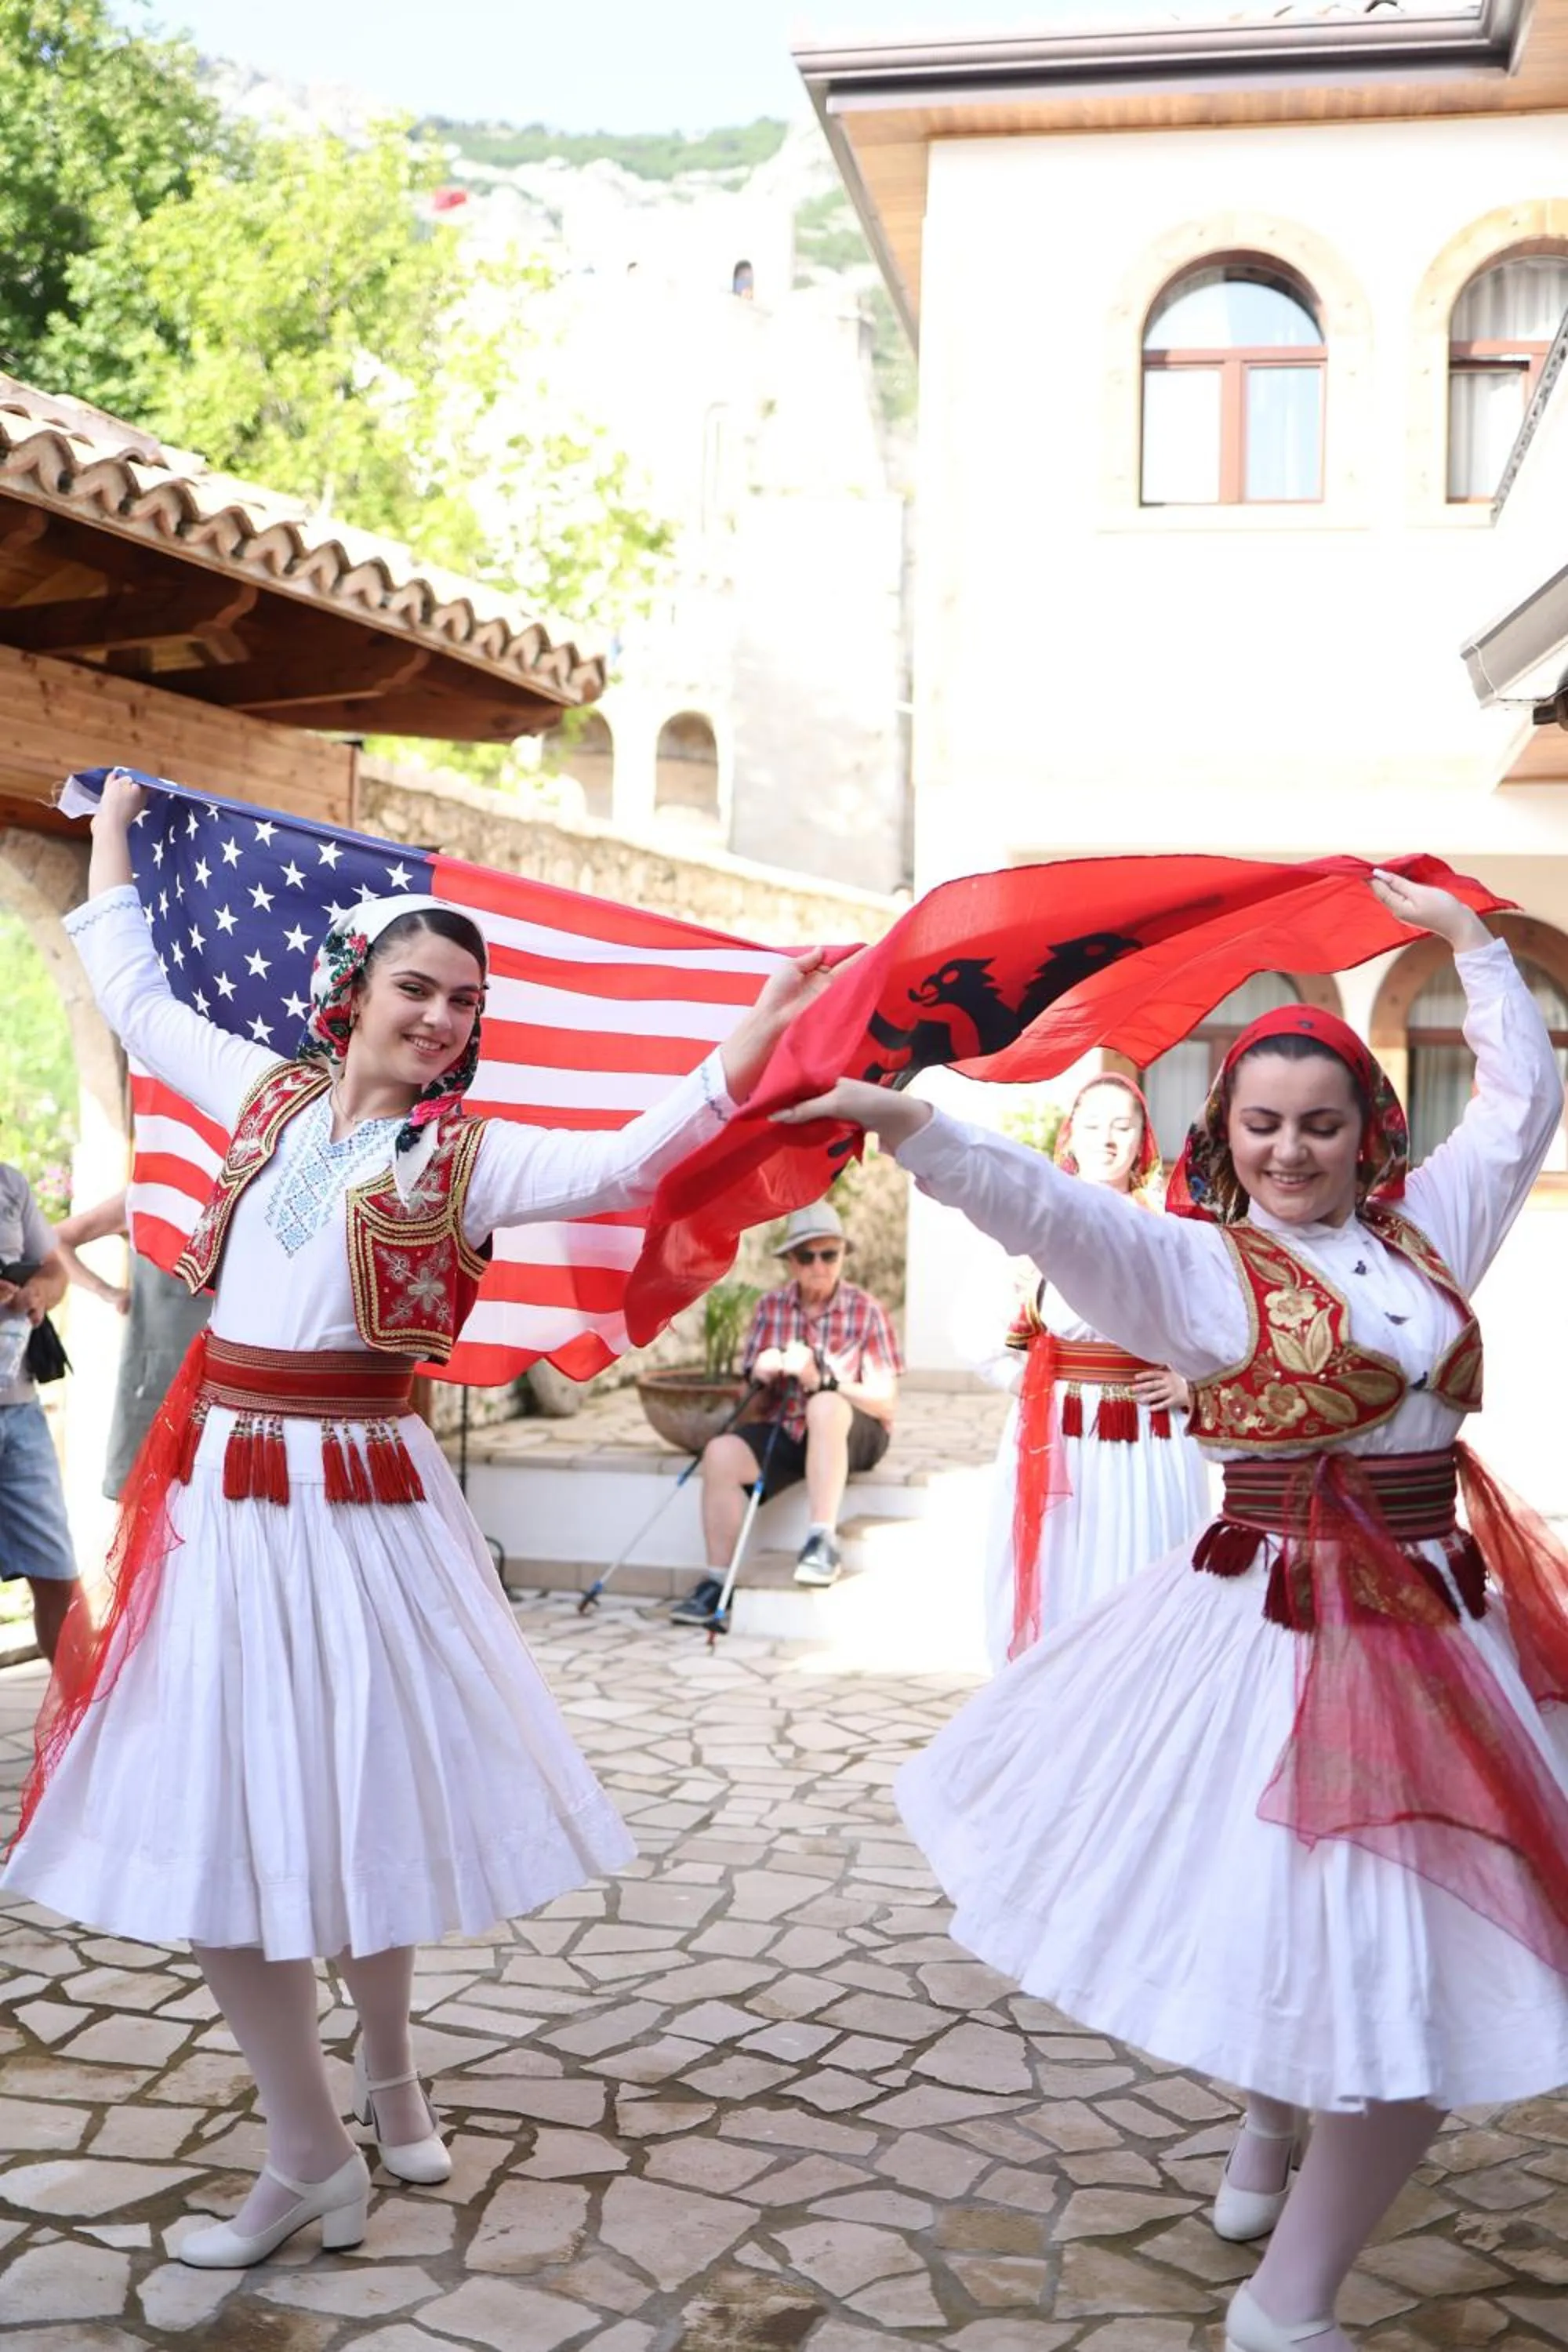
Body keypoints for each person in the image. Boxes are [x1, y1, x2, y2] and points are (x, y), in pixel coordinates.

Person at [2, 770, 829, 2271]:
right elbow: (126, 983)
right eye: (416, 989)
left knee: (355, 1798)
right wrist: (115, 822)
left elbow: (625, 1162)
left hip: (363, 1504)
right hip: (230, 1505)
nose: (441, 1018)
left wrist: (745, 1052)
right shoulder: (262, 1100)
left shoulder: (466, 1153)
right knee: (231, 1812)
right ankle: (316, 2139)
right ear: (354, 991)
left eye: (463, 1000)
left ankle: (381, 2077)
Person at [776, 870, 1568, 2352]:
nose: (1289, 1149)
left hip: (1446, 1632)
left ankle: (1269, 2146)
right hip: (1278, 1639)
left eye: (1320, 1124)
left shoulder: (1430, 1236)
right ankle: (1285, 2305)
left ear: (1369, 1133)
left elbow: (1520, 1109)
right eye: (1260, 1124)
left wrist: (1472, 946)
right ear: (1224, 1133)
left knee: (1355, 1944)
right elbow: (1054, 1208)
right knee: (1370, 1963)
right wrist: (915, 1130)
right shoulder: (1199, 1267)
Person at [975, 1077, 1210, 1669]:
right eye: (1094, 1123)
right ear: (1071, 1134)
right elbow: (974, 1330)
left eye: (1122, 1126)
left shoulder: (1171, 1228)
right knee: (1062, 1568)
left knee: (1145, 1573)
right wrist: (1033, 1386)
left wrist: (1192, 1386)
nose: (1107, 1139)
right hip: (1059, 1433)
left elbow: (1217, 1325)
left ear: (1143, 1141)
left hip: (1150, 1435)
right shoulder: (1035, 1218)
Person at [672, 1200, 901, 1623]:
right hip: (788, 1431)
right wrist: (761, 1375)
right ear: (790, 1263)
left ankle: (821, 1541)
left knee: (826, 1404)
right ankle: (716, 1582)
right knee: (721, 1451)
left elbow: (885, 1400)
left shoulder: (867, 1310)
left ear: (842, 1256)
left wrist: (825, 1381)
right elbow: (752, 1409)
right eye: (807, 1256)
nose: (819, 1265)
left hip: (852, 1431)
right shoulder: (770, 1309)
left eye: (829, 1254)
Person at [54, 1189, 212, 1499]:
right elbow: (54, 1239)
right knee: (146, 1513)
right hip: (156, 1381)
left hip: (228, 1385)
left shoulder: (258, 1185)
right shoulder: (155, 1191)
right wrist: (107, 1292)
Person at [0, 1165, 78, 1663]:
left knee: (57, 1573)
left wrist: (39, 1293)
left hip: (19, 1411)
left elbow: (54, 1267)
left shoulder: (10, 1184)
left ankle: (80, 1734)